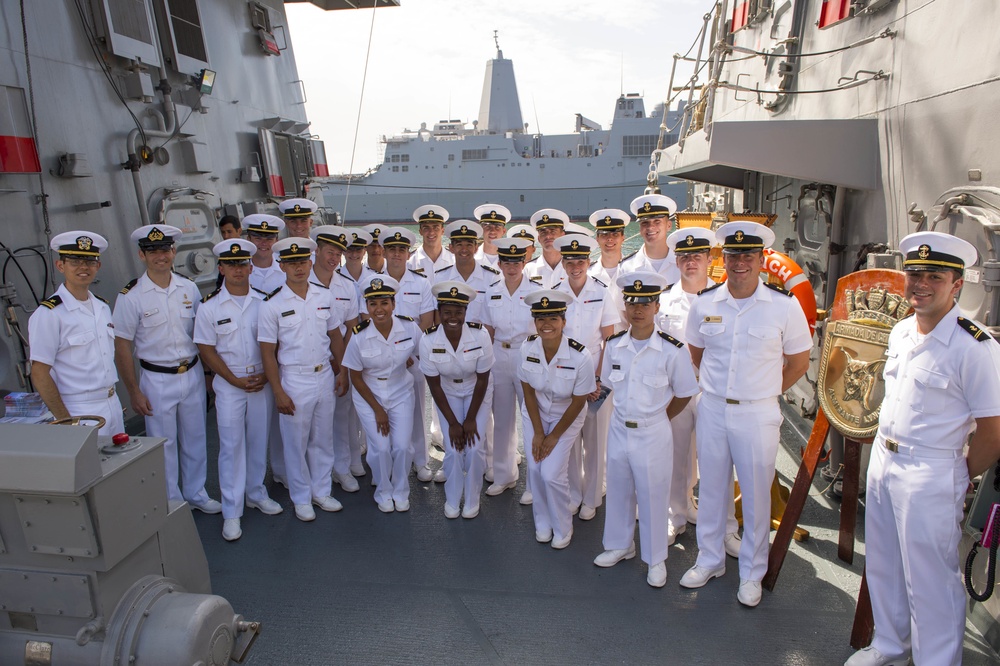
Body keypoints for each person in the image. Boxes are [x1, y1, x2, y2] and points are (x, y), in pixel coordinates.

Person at [846, 232, 1000, 666]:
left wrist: (958, 474)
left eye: (935, 276)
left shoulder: (975, 347)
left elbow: (993, 431)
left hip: (931, 470)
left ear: (957, 285)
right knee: (884, 563)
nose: (922, 284)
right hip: (885, 460)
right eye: (915, 274)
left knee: (931, 579)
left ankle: (936, 660)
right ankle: (891, 646)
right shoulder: (900, 331)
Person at [679, 221, 811, 608]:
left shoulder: (783, 306)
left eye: (748, 255)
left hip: (758, 413)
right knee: (712, 489)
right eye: (734, 254)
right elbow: (696, 354)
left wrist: (763, 391)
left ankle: (752, 572)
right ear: (724, 257)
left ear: (761, 260)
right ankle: (710, 559)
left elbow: (799, 362)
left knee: (755, 495)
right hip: (713, 408)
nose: (741, 262)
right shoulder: (705, 303)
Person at [595, 271, 698, 587]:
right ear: (624, 307)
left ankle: (655, 559)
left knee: (654, 497)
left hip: (653, 432)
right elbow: (606, 384)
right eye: (631, 303)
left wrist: (660, 418)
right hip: (619, 428)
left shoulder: (672, 350)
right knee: (619, 489)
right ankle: (620, 545)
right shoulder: (614, 345)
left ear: (656, 307)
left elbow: (685, 392)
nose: (637, 310)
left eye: (645, 304)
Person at [113, 225, 221, 513]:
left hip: (192, 373)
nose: (160, 256)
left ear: (173, 252)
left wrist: (207, 375)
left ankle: (196, 493)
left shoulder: (188, 288)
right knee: (164, 443)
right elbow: (122, 345)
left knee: (196, 438)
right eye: (152, 251)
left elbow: (200, 336)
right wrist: (133, 391)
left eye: (164, 250)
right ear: (142, 255)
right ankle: (172, 501)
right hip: (157, 378)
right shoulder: (131, 296)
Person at [659, 227, 741, 556]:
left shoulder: (727, 299)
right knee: (675, 456)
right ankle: (675, 515)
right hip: (675, 391)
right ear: (676, 261)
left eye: (697, 255)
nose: (690, 261)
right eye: (684, 256)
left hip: (711, 391)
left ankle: (726, 527)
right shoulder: (663, 300)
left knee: (718, 462)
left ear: (709, 259)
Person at [194, 239, 282, 542]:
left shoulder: (264, 303)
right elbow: (206, 349)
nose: (238, 270)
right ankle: (232, 510)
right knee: (231, 447)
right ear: (221, 268)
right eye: (231, 265)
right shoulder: (209, 307)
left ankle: (256, 492)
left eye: (242, 264)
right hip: (229, 384)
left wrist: (268, 376)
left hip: (261, 381)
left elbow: (275, 343)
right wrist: (232, 379)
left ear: (250, 267)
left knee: (259, 440)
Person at [258, 237, 347, 522]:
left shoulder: (324, 296)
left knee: (323, 439)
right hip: (294, 379)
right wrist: (278, 391)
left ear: (310, 263)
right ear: (281, 266)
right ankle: (301, 497)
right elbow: (267, 352)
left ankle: (321, 491)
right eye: (291, 263)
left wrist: (342, 371)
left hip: (324, 375)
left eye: (302, 262)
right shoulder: (271, 304)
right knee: (295, 443)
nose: (298, 268)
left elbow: (335, 336)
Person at [519, 289, 597, 550]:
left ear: (564, 321)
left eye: (553, 318)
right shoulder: (527, 348)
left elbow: (578, 401)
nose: (546, 324)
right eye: (541, 318)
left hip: (567, 415)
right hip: (536, 412)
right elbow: (528, 391)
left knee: (552, 473)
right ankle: (542, 522)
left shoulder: (580, 356)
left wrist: (552, 437)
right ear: (534, 322)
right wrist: (538, 433)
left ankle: (563, 526)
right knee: (535, 468)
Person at [29, 231, 124, 436]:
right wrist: (66, 422)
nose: (83, 267)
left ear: (98, 266)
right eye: (74, 261)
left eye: (90, 261)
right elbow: (39, 373)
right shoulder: (49, 314)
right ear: (60, 266)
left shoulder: (102, 307)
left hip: (112, 403)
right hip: (78, 409)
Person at [553, 234, 620, 521]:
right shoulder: (554, 294)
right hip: (565, 375)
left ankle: (591, 497)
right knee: (569, 439)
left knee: (594, 441)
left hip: (595, 374)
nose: (575, 266)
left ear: (588, 262)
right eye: (570, 262)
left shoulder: (602, 292)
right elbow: (551, 339)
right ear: (563, 264)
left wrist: (597, 379)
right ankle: (573, 494)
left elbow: (609, 340)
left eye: (580, 261)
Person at [343, 275, 423, 512]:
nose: (379, 309)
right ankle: (383, 490)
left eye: (384, 303)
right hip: (370, 394)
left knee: (402, 446)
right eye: (373, 304)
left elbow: (425, 351)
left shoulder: (409, 327)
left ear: (394, 304)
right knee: (380, 447)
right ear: (366, 306)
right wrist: (378, 410)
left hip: (401, 391)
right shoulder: (358, 335)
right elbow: (356, 377)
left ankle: (401, 490)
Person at [420, 281, 494, 518]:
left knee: (474, 447)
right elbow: (434, 385)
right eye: (447, 312)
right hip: (447, 392)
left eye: (458, 312)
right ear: (439, 312)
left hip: (476, 391)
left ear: (466, 312)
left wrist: (470, 419)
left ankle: (472, 499)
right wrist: (453, 423)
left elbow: (483, 379)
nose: (453, 317)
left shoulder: (480, 335)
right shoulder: (428, 340)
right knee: (453, 449)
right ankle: (452, 499)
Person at [434, 220, 500, 482]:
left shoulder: (491, 276)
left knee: (484, 413)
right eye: (459, 244)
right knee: (447, 412)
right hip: (449, 353)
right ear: (450, 247)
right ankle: (451, 462)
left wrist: (484, 353)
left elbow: (491, 320)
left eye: (469, 244)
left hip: (480, 353)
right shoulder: (440, 277)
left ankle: (488, 461)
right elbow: (436, 318)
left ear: (477, 246)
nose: (464, 248)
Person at [481, 237, 538, 501]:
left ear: (524, 263)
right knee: (502, 419)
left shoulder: (537, 291)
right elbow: (487, 330)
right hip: (499, 354)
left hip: (528, 355)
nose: (512, 267)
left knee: (533, 419)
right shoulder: (491, 290)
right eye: (507, 262)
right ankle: (504, 476)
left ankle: (534, 484)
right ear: (500, 264)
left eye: (516, 262)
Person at [377, 227, 436, 482]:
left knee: (417, 411)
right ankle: (389, 461)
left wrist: (408, 351)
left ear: (408, 253)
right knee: (384, 410)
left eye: (401, 250)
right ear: (384, 252)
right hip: (382, 359)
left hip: (413, 357)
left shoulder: (421, 283)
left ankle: (421, 460)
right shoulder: (373, 283)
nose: (397, 254)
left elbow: (427, 320)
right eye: (392, 249)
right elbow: (368, 321)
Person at [309, 226, 362, 493]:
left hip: (340, 360)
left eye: (338, 254)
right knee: (312, 424)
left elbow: (352, 327)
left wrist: (343, 365)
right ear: (317, 251)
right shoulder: (300, 281)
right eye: (330, 252)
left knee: (341, 418)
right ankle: (312, 473)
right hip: (312, 362)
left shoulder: (347, 286)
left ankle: (342, 468)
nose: (334, 258)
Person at [242, 213, 288, 488]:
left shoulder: (284, 269)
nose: (263, 242)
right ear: (249, 238)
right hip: (250, 358)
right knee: (256, 428)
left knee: (283, 419)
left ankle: (282, 470)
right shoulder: (239, 267)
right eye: (258, 237)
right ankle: (254, 484)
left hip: (283, 356)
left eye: (269, 237)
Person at [621, 194, 680, 285]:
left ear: (668, 225)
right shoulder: (626, 267)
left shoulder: (685, 265)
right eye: (645, 223)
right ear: (640, 228)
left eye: (657, 222)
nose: (650, 227)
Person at [587, 208, 628, 331]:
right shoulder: (587, 275)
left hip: (627, 340)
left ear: (623, 238)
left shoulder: (633, 272)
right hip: (597, 342)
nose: (610, 239)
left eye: (615, 234)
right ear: (597, 239)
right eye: (604, 234)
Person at [243, 214, 287, 296]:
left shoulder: (286, 271)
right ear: (249, 240)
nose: (263, 243)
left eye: (269, 239)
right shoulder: (240, 273)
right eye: (258, 239)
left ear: (276, 241)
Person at [524, 209, 568, 288]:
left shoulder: (573, 268)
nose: (548, 236)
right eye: (543, 232)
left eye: (553, 231)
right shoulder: (528, 269)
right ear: (539, 238)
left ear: (562, 235)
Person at [408, 205, 454, 276]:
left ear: (442, 231)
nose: (431, 232)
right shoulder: (409, 262)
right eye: (426, 228)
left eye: (436, 228)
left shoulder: (454, 260)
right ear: (420, 231)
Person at [473, 203, 510, 269]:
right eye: (488, 226)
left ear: (504, 231)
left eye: (497, 227)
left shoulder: (511, 260)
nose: (492, 231)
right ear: (481, 230)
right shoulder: (470, 258)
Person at [215, 215, 242, 289]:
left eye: (229, 232)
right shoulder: (224, 254)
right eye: (223, 232)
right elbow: (220, 283)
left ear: (239, 231)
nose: (226, 236)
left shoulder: (250, 251)